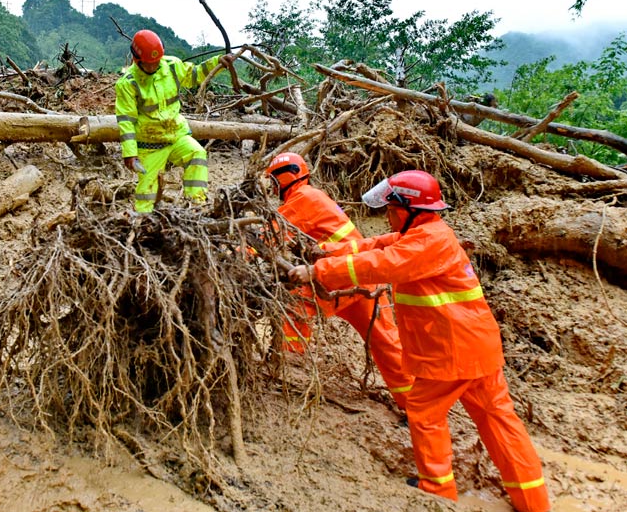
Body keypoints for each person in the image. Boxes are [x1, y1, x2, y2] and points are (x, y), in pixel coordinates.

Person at [287, 170, 550, 512]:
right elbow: (372, 245)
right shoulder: (426, 234)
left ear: (407, 208)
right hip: (478, 350)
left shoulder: (426, 243)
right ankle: (533, 502)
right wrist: (322, 251)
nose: (388, 215)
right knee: (499, 420)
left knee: (424, 413)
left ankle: (437, 490)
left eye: (391, 208)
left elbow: (381, 263)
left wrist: (317, 273)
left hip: (452, 354)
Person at [265, 152, 413, 409]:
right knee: (388, 344)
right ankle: (415, 405)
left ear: (283, 178)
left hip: (338, 277)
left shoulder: (302, 199)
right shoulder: (314, 195)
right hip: (365, 277)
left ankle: (287, 372)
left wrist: (230, 253)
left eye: (273, 181)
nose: (272, 188)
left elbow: (269, 236)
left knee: (294, 310)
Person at [115, 29, 232, 213]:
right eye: (149, 63)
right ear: (137, 60)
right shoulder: (128, 83)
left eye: (156, 62)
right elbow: (126, 121)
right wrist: (130, 154)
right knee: (147, 191)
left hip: (176, 135)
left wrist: (217, 62)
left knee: (197, 154)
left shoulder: (171, 66)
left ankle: (196, 207)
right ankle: (141, 223)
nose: (154, 66)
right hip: (149, 144)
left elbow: (195, 74)